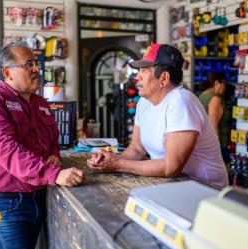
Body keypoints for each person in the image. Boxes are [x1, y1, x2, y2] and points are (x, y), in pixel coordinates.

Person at [0, 41, 84, 249]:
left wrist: (53, 156)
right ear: (7, 73)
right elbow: (6, 149)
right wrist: (53, 174)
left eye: (36, 63)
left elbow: (52, 139)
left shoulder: (40, 103)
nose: (36, 69)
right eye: (28, 65)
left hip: (37, 196)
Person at [87, 44, 228, 188]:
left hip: (204, 189)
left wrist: (117, 164)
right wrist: (108, 159)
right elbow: (136, 149)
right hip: (172, 184)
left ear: (164, 78)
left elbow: (171, 167)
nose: (137, 77)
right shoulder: (144, 102)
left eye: (143, 70)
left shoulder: (181, 102)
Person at [198, 72, 232, 160]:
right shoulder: (215, 99)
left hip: (203, 145)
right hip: (217, 147)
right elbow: (213, 127)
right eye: (224, 84)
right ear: (217, 83)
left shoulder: (201, 96)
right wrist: (214, 153)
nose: (225, 88)